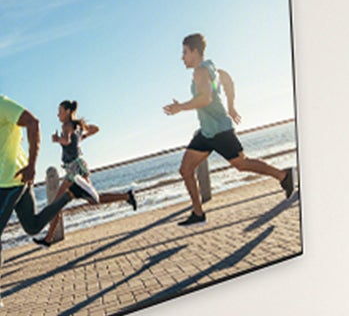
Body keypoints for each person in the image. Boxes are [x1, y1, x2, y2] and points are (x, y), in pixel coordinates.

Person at [163, 33, 295, 225]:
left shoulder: (201, 71)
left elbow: (205, 99)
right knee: (185, 169)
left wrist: (180, 107)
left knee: (241, 164)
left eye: (185, 52)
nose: (182, 57)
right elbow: (227, 80)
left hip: (219, 132)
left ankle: (283, 176)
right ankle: (198, 213)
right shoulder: (211, 68)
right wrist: (231, 105)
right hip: (207, 132)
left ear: (195, 51)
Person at [0, 91, 76, 303]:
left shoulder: (2, 104)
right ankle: (71, 193)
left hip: (10, 181)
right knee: (32, 226)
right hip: (11, 181)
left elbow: (33, 123)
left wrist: (32, 166)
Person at [38, 100, 137, 242]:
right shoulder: (76, 126)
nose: (57, 114)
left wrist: (57, 139)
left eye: (60, 111)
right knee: (75, 202)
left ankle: (48, 238)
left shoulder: (66, 125)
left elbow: (66, 140)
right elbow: (95, 129)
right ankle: (127, 196)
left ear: (67, 111)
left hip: (75, 169)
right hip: (75, 168)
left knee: (61, 203)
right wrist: (80, 138)